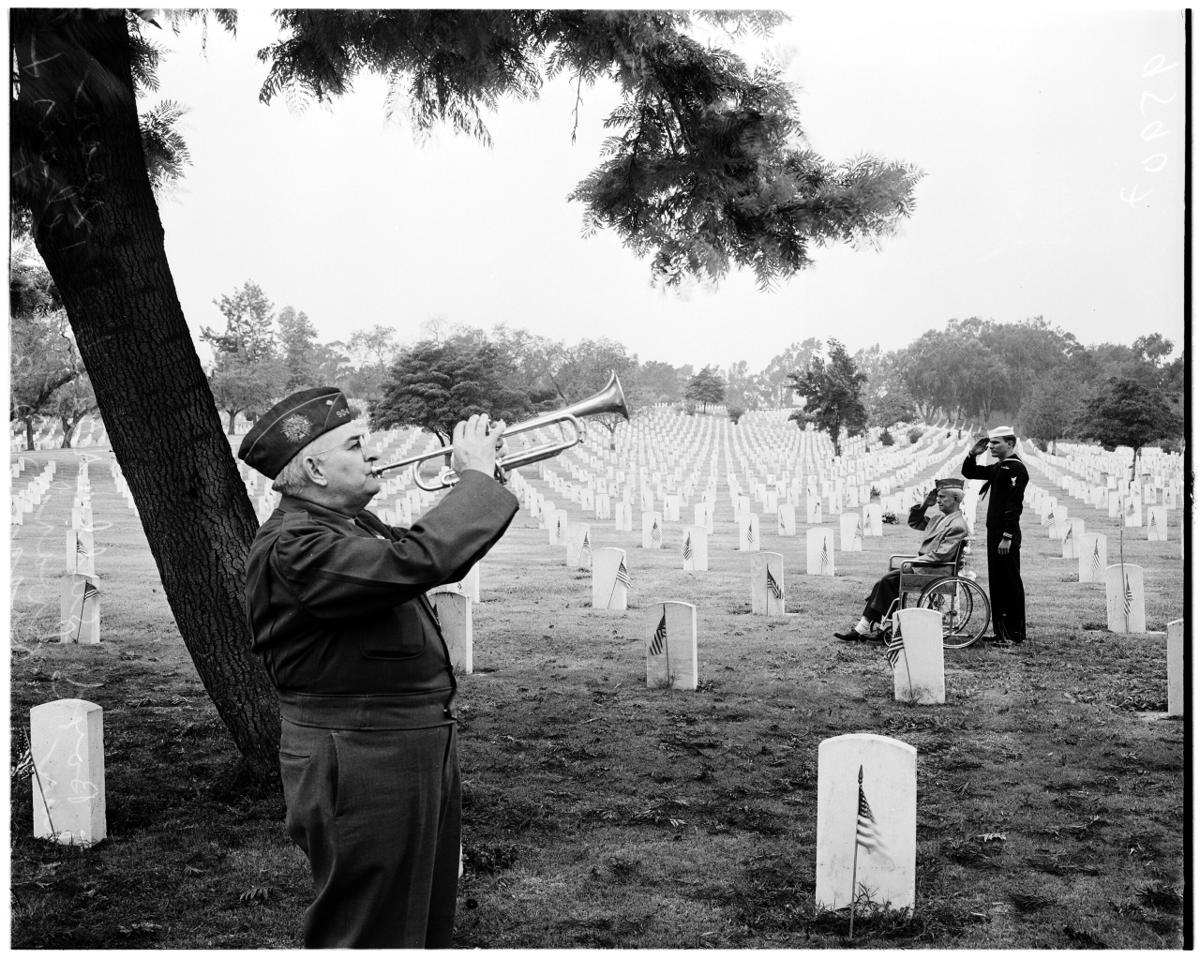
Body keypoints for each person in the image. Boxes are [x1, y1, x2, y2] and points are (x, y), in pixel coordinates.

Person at [237, 387, 519, 948]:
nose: (373, 453)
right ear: (315, 467)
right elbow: (419, 559)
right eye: (355, 444)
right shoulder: (297, 546)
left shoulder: (349, 526)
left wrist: (484, 483)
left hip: (398, 742)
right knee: (369, 927)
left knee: (418, 914)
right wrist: (475, 481)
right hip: (360, 751)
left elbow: (432, 553)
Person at [834, 480, 969, 641]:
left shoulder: (957, 525)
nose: (938, 500)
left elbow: (941, 555)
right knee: (884, 582)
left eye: (942, 497)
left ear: (955, 499)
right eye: (937, 497)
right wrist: (925, 504)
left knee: (886, 581)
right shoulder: (941, 519)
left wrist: (915, 561)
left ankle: (867, 628)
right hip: (926, 567)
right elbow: (915, 522)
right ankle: (872, 628)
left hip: (935, 571)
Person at [961, 425, 1029, 645]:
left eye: (995, 443)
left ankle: (1014, 634)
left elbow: (1013, 505)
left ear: (1010, 444)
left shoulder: (1016, 469)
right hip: (995, 533)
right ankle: (1001, 631)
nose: (990, 447)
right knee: (997, 583)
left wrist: (1007, 536)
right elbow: (970, 472)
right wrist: (973, 454)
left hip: (1005, 535)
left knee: (1009, 582)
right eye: (990, 443)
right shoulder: (1000, 467)